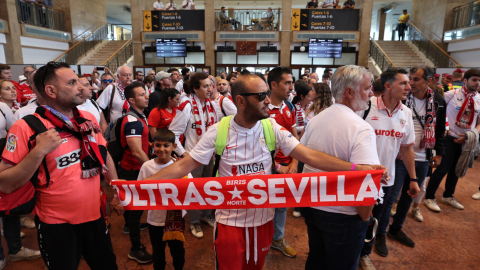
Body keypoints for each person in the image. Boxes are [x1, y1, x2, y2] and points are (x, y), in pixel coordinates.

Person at [143, 73, 387, 270]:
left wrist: (358, 168)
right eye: (261, 96)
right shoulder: (218, 131)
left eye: (266, 94)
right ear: (240, 101)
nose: (268, 100)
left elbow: (309, 156)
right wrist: (138, 188)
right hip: (230, 223)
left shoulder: (271, 127)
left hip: (264, 220)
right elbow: (183, 166)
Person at [0, 61, 123, 270]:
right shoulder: (26, 127)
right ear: (51, 90)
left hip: (95, 217)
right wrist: (39, 151)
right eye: (72, 82)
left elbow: (105, 155)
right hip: (56, 225)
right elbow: (4, 184)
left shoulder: (87, 119)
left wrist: (117, 189)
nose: (82, 87)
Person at [301, 65, 379, 270]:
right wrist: (365, 218)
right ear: (349, 92)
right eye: (367, 88)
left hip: (312, 205)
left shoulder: (316, 120)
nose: (371, 92)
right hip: (343, 213)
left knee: (317, 259)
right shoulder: (361, 128)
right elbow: (365, 181)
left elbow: (305, 161)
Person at [379, 66, 446, 251]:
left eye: (415, 79)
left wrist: (439, 152)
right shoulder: (401, 100)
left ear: (429, 81)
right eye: (409, 80)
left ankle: (396, 228)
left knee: (411, 194)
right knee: (391, 196)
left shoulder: (438, 101)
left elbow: (439, 129)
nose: (411, 84)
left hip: (423, 155)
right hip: (401, 155)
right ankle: (381, 234)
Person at [358, 67, 418, 269]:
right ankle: (350, 252)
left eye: (409, 83)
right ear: (387, 85)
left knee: (373, 220)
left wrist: (414, 179)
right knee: (354, 218)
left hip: (386, 180)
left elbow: (407, 149)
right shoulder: (366, 107)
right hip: (360, 177)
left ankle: (364, 254)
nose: (409, 87)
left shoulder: (406, 113)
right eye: (404, 83)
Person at [168, 72, 222, 239]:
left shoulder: (212, 105)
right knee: (194, 190)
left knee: (209, 188)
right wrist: (185, 154)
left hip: (210, 156)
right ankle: (194, 221)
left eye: (211, 85)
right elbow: (173, 133)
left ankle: (206, 215)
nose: (210, 89)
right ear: (195, 89)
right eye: (205, 86)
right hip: (193, 156)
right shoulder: (187, 106)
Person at [424, 68, 480, 212]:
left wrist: (469, 135)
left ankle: (448, 195)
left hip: (466, 140)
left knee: (457, 169)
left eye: (479, 80)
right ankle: (429, 197)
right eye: (474, 80)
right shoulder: (451, 95)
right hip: (449, 138)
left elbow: (479, 123)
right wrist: (446, 127)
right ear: (465, 80)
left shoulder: (479, 99)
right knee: (442, 168)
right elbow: (438, 113)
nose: (477, 83)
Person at [138, 129, 187, 270]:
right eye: (158, 145)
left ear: (174, 147)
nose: (162, 149)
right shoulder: (147, 166)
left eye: (166, 145)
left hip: (176, 218)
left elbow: (191, 189)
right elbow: (137, 188)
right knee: (158, 252)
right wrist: (120, 197)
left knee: (177, 250)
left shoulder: (181, 166)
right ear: (153, 146)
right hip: (155, 219)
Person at [118, 82, 153, 264]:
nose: (147, 96)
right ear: (131, 100)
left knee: (133, 209)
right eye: (142, 95)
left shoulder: (140, 116)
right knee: (135, 209)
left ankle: (129, 225)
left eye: (146, 94)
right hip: (133, 170)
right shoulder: (132, 120)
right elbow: (136, 151)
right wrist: (151, 169)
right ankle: (135, 248)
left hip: (135, 168)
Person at [267, 67, 299, 258]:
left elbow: (295, 138)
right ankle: (261, 240)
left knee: (282, 205)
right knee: (261, 205)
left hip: (288, 168)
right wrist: (278, 166)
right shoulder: (261, 107)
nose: (291, 87)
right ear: (274, 85)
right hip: (267, 168)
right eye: (287, 82)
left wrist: (294, 162)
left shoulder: (290, 107)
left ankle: (277, 239)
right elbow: (257, 144)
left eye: (291, 82)